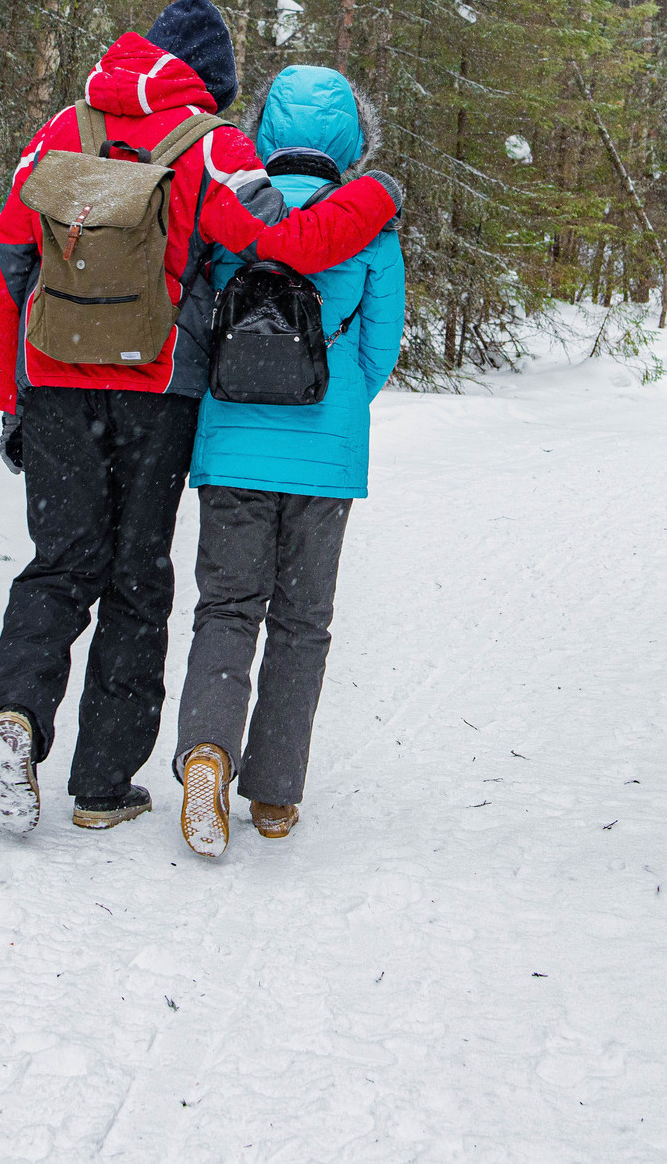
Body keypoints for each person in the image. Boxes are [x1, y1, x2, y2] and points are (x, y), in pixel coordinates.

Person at [0, 0, 405, 837]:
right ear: (210, 82)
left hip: (55, 380)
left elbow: (6, 265)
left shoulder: (59, 130)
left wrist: (11, 397)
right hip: (157, 386)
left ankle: (18, 713)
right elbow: (295, 244)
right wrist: (378, 195)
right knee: (137, 578)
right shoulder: (213, 145)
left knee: (58, 564)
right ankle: (103, 785)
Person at [171, 65, 404, 857]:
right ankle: (273, 792)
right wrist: (331, 405)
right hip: (323, 459)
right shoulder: (369, 224)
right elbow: (377, 351)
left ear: (266, 128)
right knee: (302, 623)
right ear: (353, 136)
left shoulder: (232, 208)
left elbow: (197, 321)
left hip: (232, 446)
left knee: (226, 609)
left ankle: (207, 750)